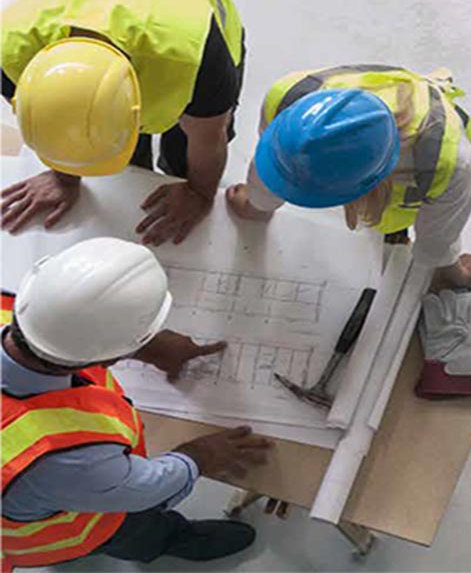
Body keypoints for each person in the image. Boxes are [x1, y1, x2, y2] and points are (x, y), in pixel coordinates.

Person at [0, 237, 273, 568]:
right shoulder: (63, 459)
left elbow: (59, 332)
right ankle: (170, 539)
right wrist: (199, 456)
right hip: (70, 528)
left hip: (35, 492)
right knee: (136, 532)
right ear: (112, 356)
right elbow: (144, 488)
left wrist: (146, 346)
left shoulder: (23, 314)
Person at [0, 0, 246, 245]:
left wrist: (198, 193)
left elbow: (208, 138)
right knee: (122, 158)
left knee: (183, 150)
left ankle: (176, 173)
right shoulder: (11, 57)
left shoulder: (195, 62)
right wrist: (63, 176)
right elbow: (58, 124)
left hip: (190, 12)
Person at [224, 65, 471, 288]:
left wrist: (456, 275)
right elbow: (276, 159)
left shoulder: (449, 165)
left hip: (410, 191)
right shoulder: (289, 97)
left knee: (390, 230)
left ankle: (393, 234)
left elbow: (437, 238)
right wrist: (256, 205)